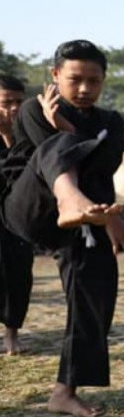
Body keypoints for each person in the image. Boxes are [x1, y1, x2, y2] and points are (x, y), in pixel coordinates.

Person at [0, 40, 124, 417]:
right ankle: (69, 200)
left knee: (97, 286)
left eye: (93, 81)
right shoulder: (32, 108)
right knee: (59, 143)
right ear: (55, 75)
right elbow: (55, 155)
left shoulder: (111, 122)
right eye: (75, 79)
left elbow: (102, 168)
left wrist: (109, 216)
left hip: (84, 214)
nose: (83, 89)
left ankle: (65, 390)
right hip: (28, 206)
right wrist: (62, 129)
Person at [0, 75, 34, 355]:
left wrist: (10, 137)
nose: (12, 108)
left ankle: (12, 333)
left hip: (17, 220)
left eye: (18, 102)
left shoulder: (29, 135)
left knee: (18, 276)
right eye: (6, 102)